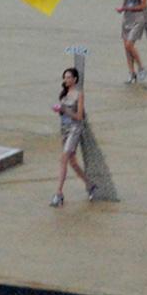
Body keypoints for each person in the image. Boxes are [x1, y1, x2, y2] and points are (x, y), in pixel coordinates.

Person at [49, 68, 94, 206]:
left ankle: (59, 193)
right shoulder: (64, 93)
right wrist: (59, 110)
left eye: (69, 77)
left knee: (63, 159)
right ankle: (90, 184)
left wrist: (65, 110)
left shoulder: (79, 94)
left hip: (75, 129)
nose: (66, 80)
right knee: (72, 162)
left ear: (75, 79)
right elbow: (63, 113)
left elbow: (79, 116)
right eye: (65, 77)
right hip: (64, 129)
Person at [117, 0, 147, 83]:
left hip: (137, 18)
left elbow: (144, 5)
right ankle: (131, 73)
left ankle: (141, 67)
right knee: (126, 47)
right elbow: (125, 2)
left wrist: (127, 8)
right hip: (127, 18)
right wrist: (122, 9)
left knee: (129, 44)